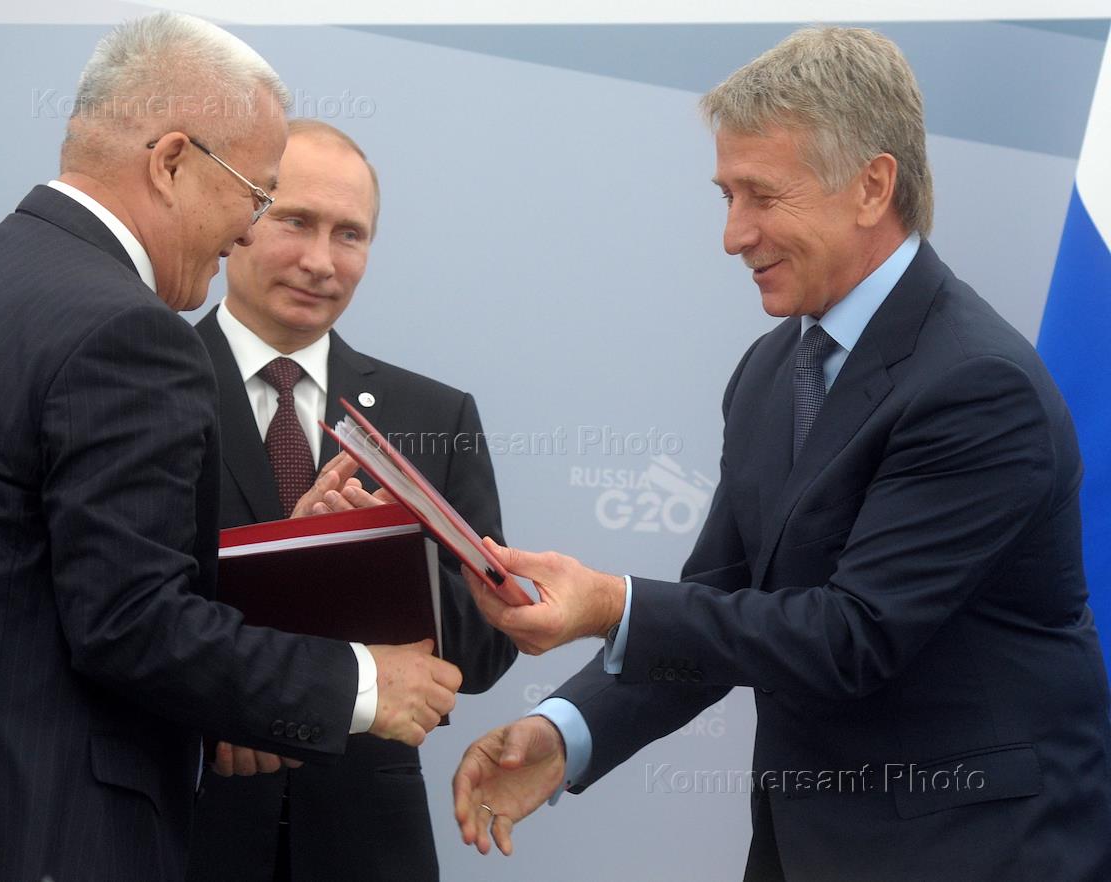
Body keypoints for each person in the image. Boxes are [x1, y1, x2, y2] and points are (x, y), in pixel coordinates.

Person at [452, 26, 1111, 882]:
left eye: (762, 196)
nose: (734, 235)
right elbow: (724, 603)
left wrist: (611, 603)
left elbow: (851, 637)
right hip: (805, 849)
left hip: (973, 852)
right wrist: (565, 731)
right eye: (727, 196)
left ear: (872, 186)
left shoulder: (980, 386)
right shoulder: (772, 370)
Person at [0, 14, 461, 882]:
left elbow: (36, 572)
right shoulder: (128, 330)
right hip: (45, 829)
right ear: (171, 162)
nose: (248, 231)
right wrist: (361, 683)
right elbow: (131, 620)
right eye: (259, 197)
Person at [184, 120, 517, 882]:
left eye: (349, 235)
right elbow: (118, 612)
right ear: (241, 218)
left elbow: (487, 647)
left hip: (369, 844)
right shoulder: (150, 386)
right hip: (187, 827)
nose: (320, 261)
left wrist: (385, 558)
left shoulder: (434, 416)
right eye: (295, 221)